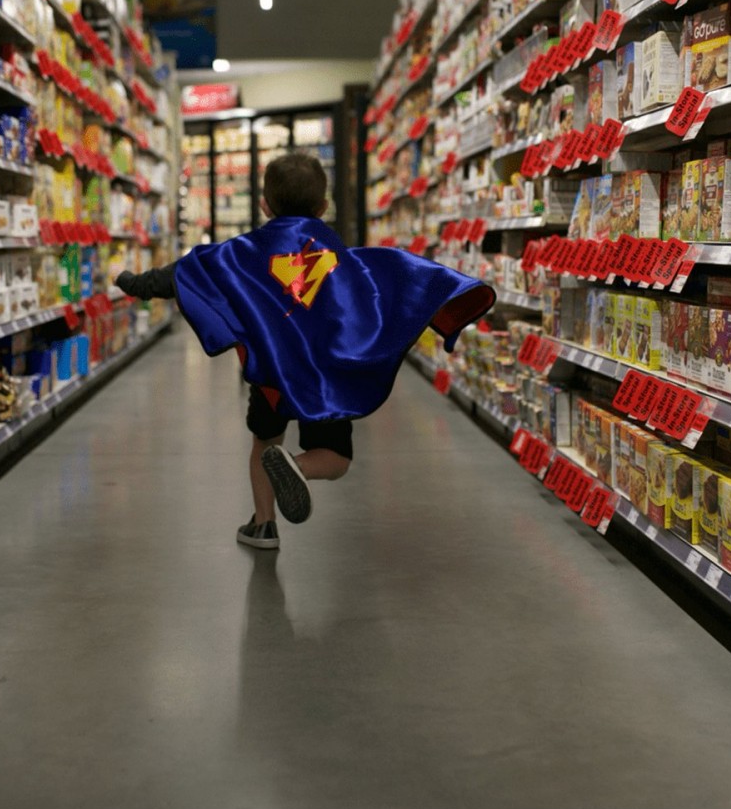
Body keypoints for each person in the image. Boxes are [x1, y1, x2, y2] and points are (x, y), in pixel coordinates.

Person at [115, 151, 495, 551]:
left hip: (271, 374)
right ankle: (298, 467)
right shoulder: (342, 259)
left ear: (264, 205)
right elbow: (391, 283)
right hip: (326, 376)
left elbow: (190, 270)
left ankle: (263, 526)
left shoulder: (245, 253)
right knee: (335, 456)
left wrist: (137, 283)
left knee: (264, 443)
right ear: (323, 206)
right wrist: (446, 292)